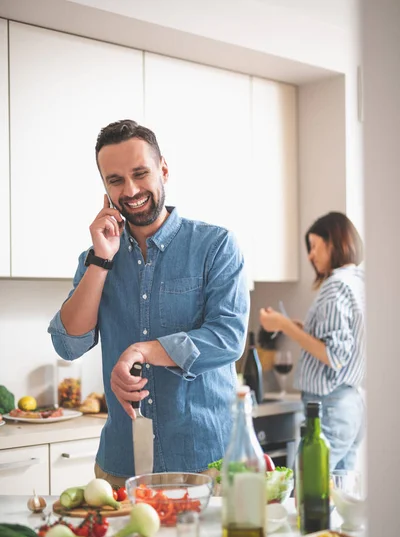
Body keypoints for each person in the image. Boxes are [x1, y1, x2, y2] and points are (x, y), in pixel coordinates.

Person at [48, 119, 249, 488]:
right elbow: (68, 343)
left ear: (164, 170)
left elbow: (228, 338)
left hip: (206, 464)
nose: (131, 189)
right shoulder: (96, 259)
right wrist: (101, 259)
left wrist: (144, 350)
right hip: (120, 467)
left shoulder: (215, 246)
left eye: (140, 173)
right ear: (105, 187)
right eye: (116, 180)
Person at [259, 212, 365, 471]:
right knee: (338, 495)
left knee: (304, 488)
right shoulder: (358, 282)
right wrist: (303, 328)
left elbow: (334, 355)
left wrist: (283, 325)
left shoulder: (336, 285)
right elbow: (345, 342)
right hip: (351, 405)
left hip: (329, 407)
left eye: (315, 246)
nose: (310, 255)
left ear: (335, 243)